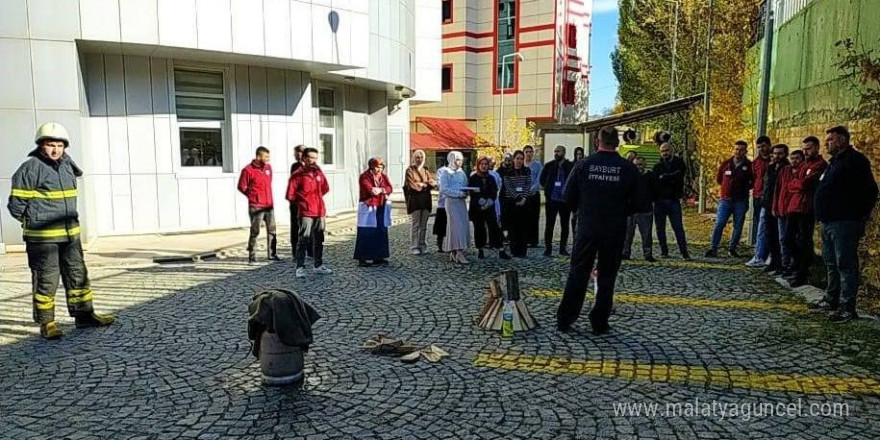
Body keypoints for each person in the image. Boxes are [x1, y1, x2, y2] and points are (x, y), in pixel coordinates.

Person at [7, 122, 116, 339]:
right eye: (50, 145)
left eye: (59, 145)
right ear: (41, 146)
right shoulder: (30, 169)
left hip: (70, 236)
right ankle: (47, 323)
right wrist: (34, 222)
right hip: (43, 239)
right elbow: (16, 206)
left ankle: (84, 316)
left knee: (78, 276)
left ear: (65, 147)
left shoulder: (67, 166)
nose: (55, 150)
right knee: (47, 280)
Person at [556, 126, 638, 335]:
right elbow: (639, 202)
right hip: (614, 229)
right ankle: (599, 321)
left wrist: (583, 212)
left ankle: (566, 318)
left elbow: (567, 197)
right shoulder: (628, 168)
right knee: (607, 275)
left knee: (578, 272)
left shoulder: (584, 165)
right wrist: (619, 212)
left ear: (597, 142)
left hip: (587, 228)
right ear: (617, 143)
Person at [808, 126, 879, 323]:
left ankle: (847, 306)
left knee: (845, 264)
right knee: (831, 263)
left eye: (830, 139)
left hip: (845, 222)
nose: (826, 143)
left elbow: (870, 191)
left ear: (841, 140)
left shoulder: (854, 161)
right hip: (828, 222)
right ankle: (832, 299)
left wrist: (858, 215)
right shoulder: (835, 162)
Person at [780, 137, 827, 286]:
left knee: (804, 240)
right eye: (804, 149)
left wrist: (797, 184)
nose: (806, 152)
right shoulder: (803, 164)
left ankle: (802, 272)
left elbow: (806, 184)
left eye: (809, 148)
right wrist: (798, 184)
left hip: (807, 207)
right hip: (794, 206)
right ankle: (798, 264)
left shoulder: (820, 165)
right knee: (787, 239)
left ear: (817, 148)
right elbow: (791, 184)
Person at [286, 147, 332, 278]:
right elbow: (291, 195)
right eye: (310, 157)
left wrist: (316, 200)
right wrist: (304, 201)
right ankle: (300, 267)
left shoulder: (318, 172)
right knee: (304, 239)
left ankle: (318, 265)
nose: (313, 160)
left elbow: (325, 187)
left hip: (319, 211)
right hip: (306, 212)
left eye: (315, 158)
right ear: (304, 158)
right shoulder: (298, 175)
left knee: (319, 239)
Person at [706, 141, 754, 258]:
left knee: (738, 225)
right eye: (736, 149)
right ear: (733, 150)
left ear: (745, 151)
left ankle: (732, 248)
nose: (738, 152)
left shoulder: (749, 166)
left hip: (740, 201)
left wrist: (743, 188)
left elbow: (753, 182)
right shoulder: (726, 164)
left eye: (741, 150)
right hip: (725, 200)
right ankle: (713, 248)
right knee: (719, 223)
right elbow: (719, 179)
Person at [238, 146, 279, 264]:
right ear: (258, 157)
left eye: (268, 156)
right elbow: (242, 186)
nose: (268, 159)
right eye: (266, 157)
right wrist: (252, 196)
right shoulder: (248, 170)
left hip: (269, 205)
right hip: (256, 206)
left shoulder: (268, 168)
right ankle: (252, 255)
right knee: (255, 231)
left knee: (272, 229)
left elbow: (268, 182)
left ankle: (272, 253)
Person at [652, 142, 692, 260]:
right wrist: (670, 177)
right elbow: (656, 182)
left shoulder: (679, 163)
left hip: (673, 200)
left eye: (667, 150)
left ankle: (684, 252)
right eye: (663, 151)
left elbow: (679, 176)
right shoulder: (657, 166)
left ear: (672, 150)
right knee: (660, 228)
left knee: (678, 227)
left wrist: (664, 177)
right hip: (659, 201)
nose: (665, 153)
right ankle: (664, 251)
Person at [354, 157, 394, 266]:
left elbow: (389, 188)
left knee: (380, 231)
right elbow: (369, 189)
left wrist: (381, 190)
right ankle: (363, 257)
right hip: (368, 206)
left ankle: (379, 256)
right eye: (377, 167)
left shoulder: (383, 176)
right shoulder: (364, 176)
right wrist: (379, 190)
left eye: (381, 167)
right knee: (366, 231)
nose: (379, 169)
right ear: (372, 166)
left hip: (381, 206)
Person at [469, 157, 510, 260]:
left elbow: (494, 191)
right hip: (477, 208)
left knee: (495, 228)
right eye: (481, 164)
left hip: (490, 207)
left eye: (486, 164)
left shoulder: (491, 178)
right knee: (479, 229)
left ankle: (500, 249)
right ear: (478, 165)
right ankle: (480, 249)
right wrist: (481, 202)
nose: (484, 166)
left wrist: (488, 203)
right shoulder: (473, 178)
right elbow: (472, 192)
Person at [539, 144, 574, 257]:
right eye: (555, 151)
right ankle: (548, 248)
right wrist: (548, 191)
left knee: (565, 225)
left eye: (558, 151)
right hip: (552, 200)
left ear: (563, 152)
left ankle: (563, 248)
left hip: (564, 201)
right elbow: (542, 180)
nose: (556, 153)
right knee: (549, 224)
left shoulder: (570, 166)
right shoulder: (549, 166)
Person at [761, 144, 790, 274]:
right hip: (768, 205)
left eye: (780, 154)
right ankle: (773, 261)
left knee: (781, 237)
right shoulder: (771, 167)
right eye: (775, 153)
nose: (777, 156)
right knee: (770, 235)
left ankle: (782, 264)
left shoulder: (787, 168)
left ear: (785, 155)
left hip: (780, 207)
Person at [439, 151, 472, 263]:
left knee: (463, 225)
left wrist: (466, 192)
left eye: (461, 160)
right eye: (457, 159)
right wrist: (458, 193)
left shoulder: (462, 173)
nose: (460, 162)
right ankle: (458, 251)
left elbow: (465, 185)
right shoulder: (446, 173)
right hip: (452, 202)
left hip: (461, 203)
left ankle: (454, 251)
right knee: (456, 227)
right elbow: (444, 189)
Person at [623, 157, 657, 262]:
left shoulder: (650, 177)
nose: (638, 167)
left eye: (640, 164)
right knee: (627, 234)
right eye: (636, 165)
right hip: (630, 210)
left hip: (645, 210)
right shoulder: (629, 177)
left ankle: (648, 254)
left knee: (646, 235)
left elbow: (655, 191)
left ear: (644, 165)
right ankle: (625, 253)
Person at [746, 136, 773, 267]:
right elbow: (753, 178)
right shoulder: (756, 162)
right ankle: (761, 253)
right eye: (759, 147)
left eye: (763, 146)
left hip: (769, 198)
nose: (761, 149)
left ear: (769, 145)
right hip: (757, 196)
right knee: (759, 225)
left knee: (766, 227)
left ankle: (763, 255)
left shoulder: (773, 161)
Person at [499, 150, 533, 258]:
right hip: (511, 203)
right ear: (514, 159)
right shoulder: (508, 172)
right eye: (517, 158)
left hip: (524, 203)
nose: (519, 161)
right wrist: (517, 198)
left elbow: (528, 185)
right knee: (513, 228)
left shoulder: (527, 171)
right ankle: (514, 251)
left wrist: (524, 198)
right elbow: (508, 187)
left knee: (523, 228)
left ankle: (523, 251)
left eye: (521, 159)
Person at [405, 150, 437, 255]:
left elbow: (432, 183)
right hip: (415, 201)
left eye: (421, 157)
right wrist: (425, 185)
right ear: (414, 158)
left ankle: (422, 244)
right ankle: (414, 246)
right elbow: (412, 186)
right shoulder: (410, 170)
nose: (419, 159)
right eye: (417, 157)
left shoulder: (425, 170)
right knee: (416, 225)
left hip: (426, 201)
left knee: (423, 225)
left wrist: (423, 184)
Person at [289, 145, 312, 259]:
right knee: (295, 227)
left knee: (308, 226)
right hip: (295, 203)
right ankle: (295, 252)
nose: (296, 155)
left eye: (298, 153)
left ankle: (310, 250)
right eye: (295, 153)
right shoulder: (294, 166)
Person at [523, 145, 543, 248]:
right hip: (523, 195)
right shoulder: (522, 165)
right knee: (524, 217)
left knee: (534, 217)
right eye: (527, 152)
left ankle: (533, 240)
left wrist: (533, 189)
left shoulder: (538, 165)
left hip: (534, 194)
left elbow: (539, 178)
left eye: (530, 152)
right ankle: (525, 239)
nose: (529, 154)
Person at [433, 162, 449, 253]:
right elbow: (440, 185)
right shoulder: (441, 171)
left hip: (455, 203)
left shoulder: (459, 171)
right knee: (441, 226)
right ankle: (440, 245)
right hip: (443, 203)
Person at [570, 147, 586, 237]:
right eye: (577, 154)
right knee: (574, 217)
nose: (579, 156)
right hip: (575, 196)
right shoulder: (572, 165)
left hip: (583, 195)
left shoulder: (585, 165)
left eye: (580, 154)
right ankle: (574, 235)